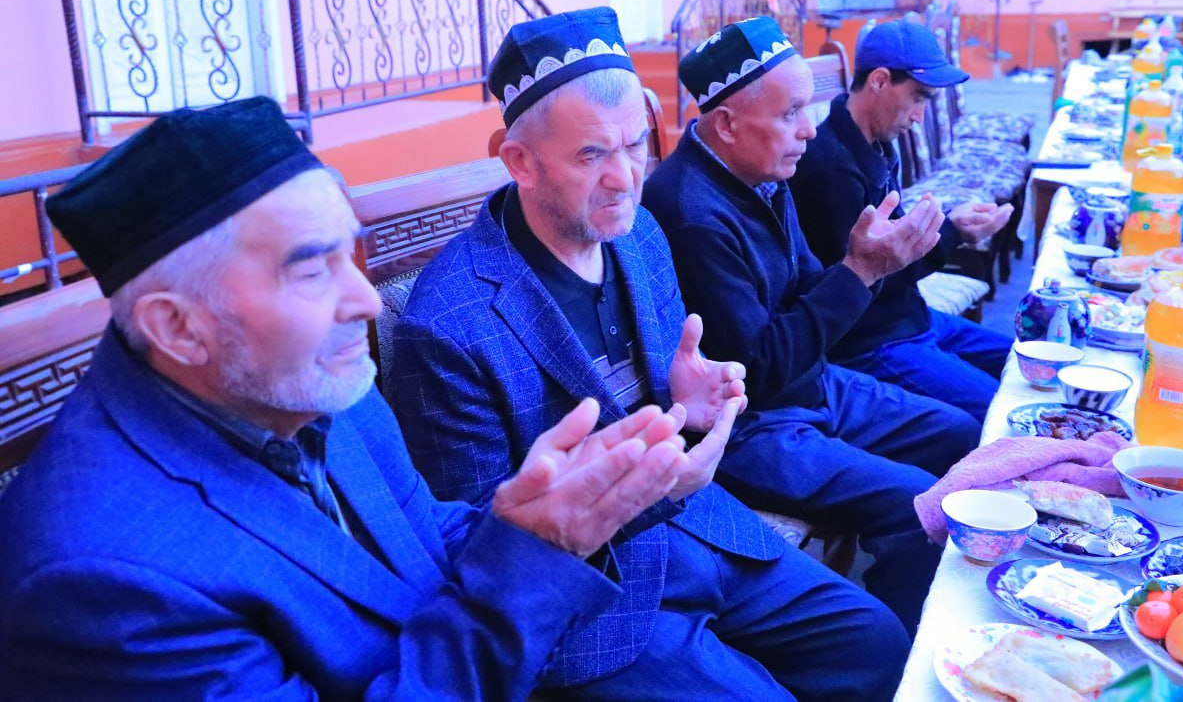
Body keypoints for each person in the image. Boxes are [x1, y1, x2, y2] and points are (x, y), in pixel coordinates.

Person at [0, 97, 696, 699]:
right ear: (178, 328)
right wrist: (534, 559)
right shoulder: (102, 580)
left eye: (350, 255)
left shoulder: (312, 385)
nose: (366, 301)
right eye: (312, 270)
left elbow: (423, 541)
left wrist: (555, 511)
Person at [391, 7, 908, 701]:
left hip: (703, 524)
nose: (625, 178)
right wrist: (652, 486)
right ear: (520, 162)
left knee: (876, 640)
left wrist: (684, 402)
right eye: (591, 155)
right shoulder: (446, 323)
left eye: (636, 145)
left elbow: (666, 402)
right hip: (591, 598)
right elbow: (476, 543)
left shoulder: (640, 236)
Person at [643, 16, 980, 631]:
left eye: (808, 109)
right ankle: (905, 649)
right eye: (790, 113)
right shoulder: (690, 212)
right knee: (920, 506)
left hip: (814, 381)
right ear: (726, 124)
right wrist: (860, 270)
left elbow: (805, 285)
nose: (808, 129)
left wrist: (871, 263)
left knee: (960, 433)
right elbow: (760, 371)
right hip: (750, 424)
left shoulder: (762, 173)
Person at [789, 18, 1014, 421]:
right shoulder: (829, 168)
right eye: (918, 98)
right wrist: (952, 233)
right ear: (879, 80)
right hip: (874, 340)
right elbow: (871, 281)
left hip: (912, 318)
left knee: (1027, 363)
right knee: (1005, 412)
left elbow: (893, 244)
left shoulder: (873, 143)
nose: (920, 116)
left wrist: (950, 224)